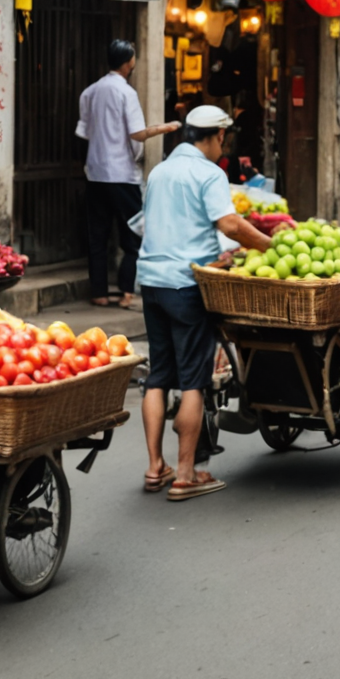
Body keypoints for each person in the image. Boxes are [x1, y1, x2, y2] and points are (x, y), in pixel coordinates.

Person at [136, 106, 272, 501]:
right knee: (194, 378)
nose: (222, 146)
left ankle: (153, 466)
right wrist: (268, 244)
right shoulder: (209, 173)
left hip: (152, 282)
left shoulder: (159, 172)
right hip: (185, 285)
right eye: (222, 139)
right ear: (213, 138)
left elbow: (151, 225)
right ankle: (185, 475)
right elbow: (228, 224)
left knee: (158, 374)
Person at [77, 40, 182, 307]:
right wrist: (163, 127)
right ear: (129, 63)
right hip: (122, 174)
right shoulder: (126, 93)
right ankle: (126, 292)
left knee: (98, 236)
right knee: (134, 235)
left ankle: (99, 292)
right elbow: (136, 133)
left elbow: (84, 132)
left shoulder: (90, 92)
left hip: (96, 173)